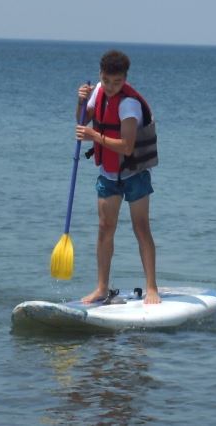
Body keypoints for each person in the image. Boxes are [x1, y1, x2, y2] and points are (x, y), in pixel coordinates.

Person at [75, 50, 160, 304]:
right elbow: (82, 120)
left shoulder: (129, 104)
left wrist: (94, 137)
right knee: (104, 228)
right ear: (101, 75)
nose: (111, 87)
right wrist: (81, 102)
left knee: (141, 228)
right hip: (108, 174)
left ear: (125, 78)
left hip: (135, 174)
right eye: (108, 81)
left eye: (118, 82)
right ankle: (101, 288)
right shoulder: (98, 90)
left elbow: (127, 146)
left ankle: (152, 288)